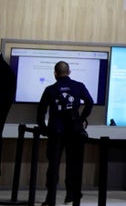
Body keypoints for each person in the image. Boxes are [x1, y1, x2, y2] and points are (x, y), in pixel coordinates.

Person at [36, 61, 94, 206]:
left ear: (55, 74)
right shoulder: (78, 86)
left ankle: (51, 198)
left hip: (56, 131)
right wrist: (81, 118)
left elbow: (41, 111)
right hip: (74, 131)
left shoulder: (50, 89)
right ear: (69, 72)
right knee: (72, 163)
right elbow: (90, 102)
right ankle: (70, 195)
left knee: (53, 165)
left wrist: (43, 128)